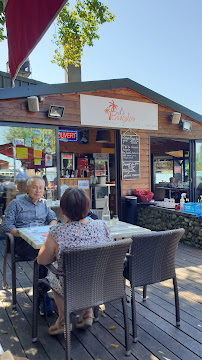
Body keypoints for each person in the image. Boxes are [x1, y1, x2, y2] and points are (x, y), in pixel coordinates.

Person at [37, 187, 113, 335]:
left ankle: (63, 320)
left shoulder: (58, 231)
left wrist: (55, 254)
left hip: (71, 285)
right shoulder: (102, 226)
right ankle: (88, 312)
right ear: (88, 207)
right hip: (100, 282)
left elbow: (42, 260)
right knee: (89, 270)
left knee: (53, 276)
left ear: (63, 211)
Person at [2, 176, 57, 260]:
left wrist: (49, 230)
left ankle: (45, 270)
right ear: (27, 188)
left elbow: (53, 219)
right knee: (46, 251)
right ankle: (43, 270)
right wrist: (24, 234)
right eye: (34, 187)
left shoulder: (44, 203)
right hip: (23, 240)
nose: (38, 190)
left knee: (57, 246)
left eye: (41, 188)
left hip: (41, 238)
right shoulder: (16, 203)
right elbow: (7, 225)